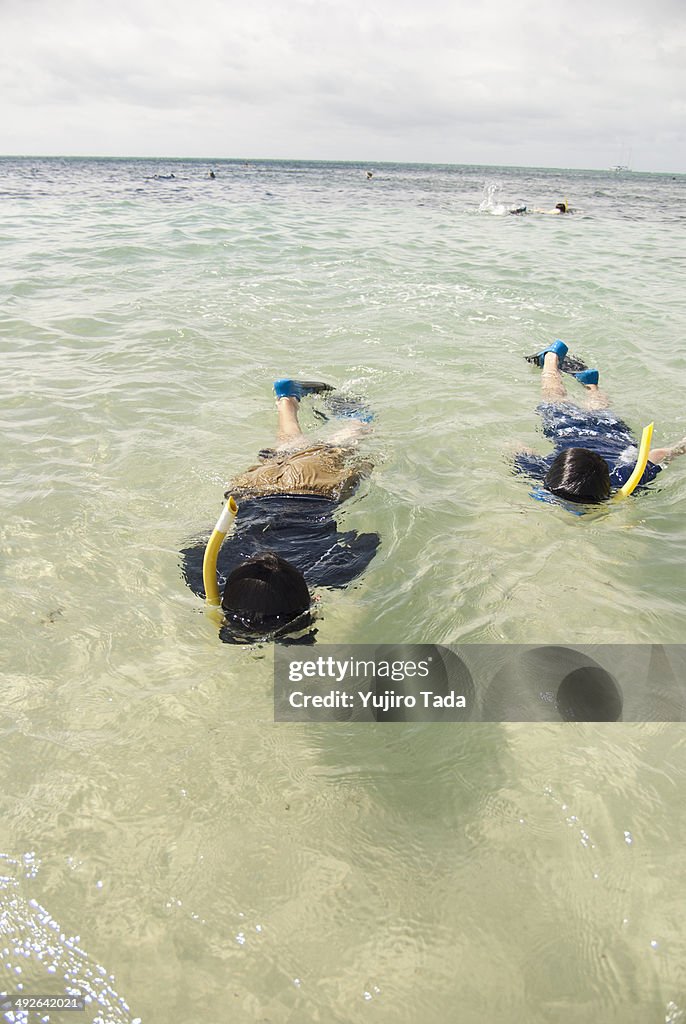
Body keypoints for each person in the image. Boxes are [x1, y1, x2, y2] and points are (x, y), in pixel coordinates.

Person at [181, 379, 380, 642]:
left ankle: (351, 419)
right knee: (287, 448)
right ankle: (286, 399)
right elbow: (195, 546)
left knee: (353, 437)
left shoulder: (331, 568)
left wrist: (322, 588)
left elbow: (368, 541)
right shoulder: (208, 574)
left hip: (312, 491)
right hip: (249, 491)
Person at [515, 340, 686, 506]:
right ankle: (552, 359)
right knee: (554, 398)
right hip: (568, 430)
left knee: (598, 410)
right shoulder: (542, 469)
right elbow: (518, 448)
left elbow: (658, 455)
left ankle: (590, 384)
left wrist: (680, 448)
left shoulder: (624, 476)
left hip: (611, 432)